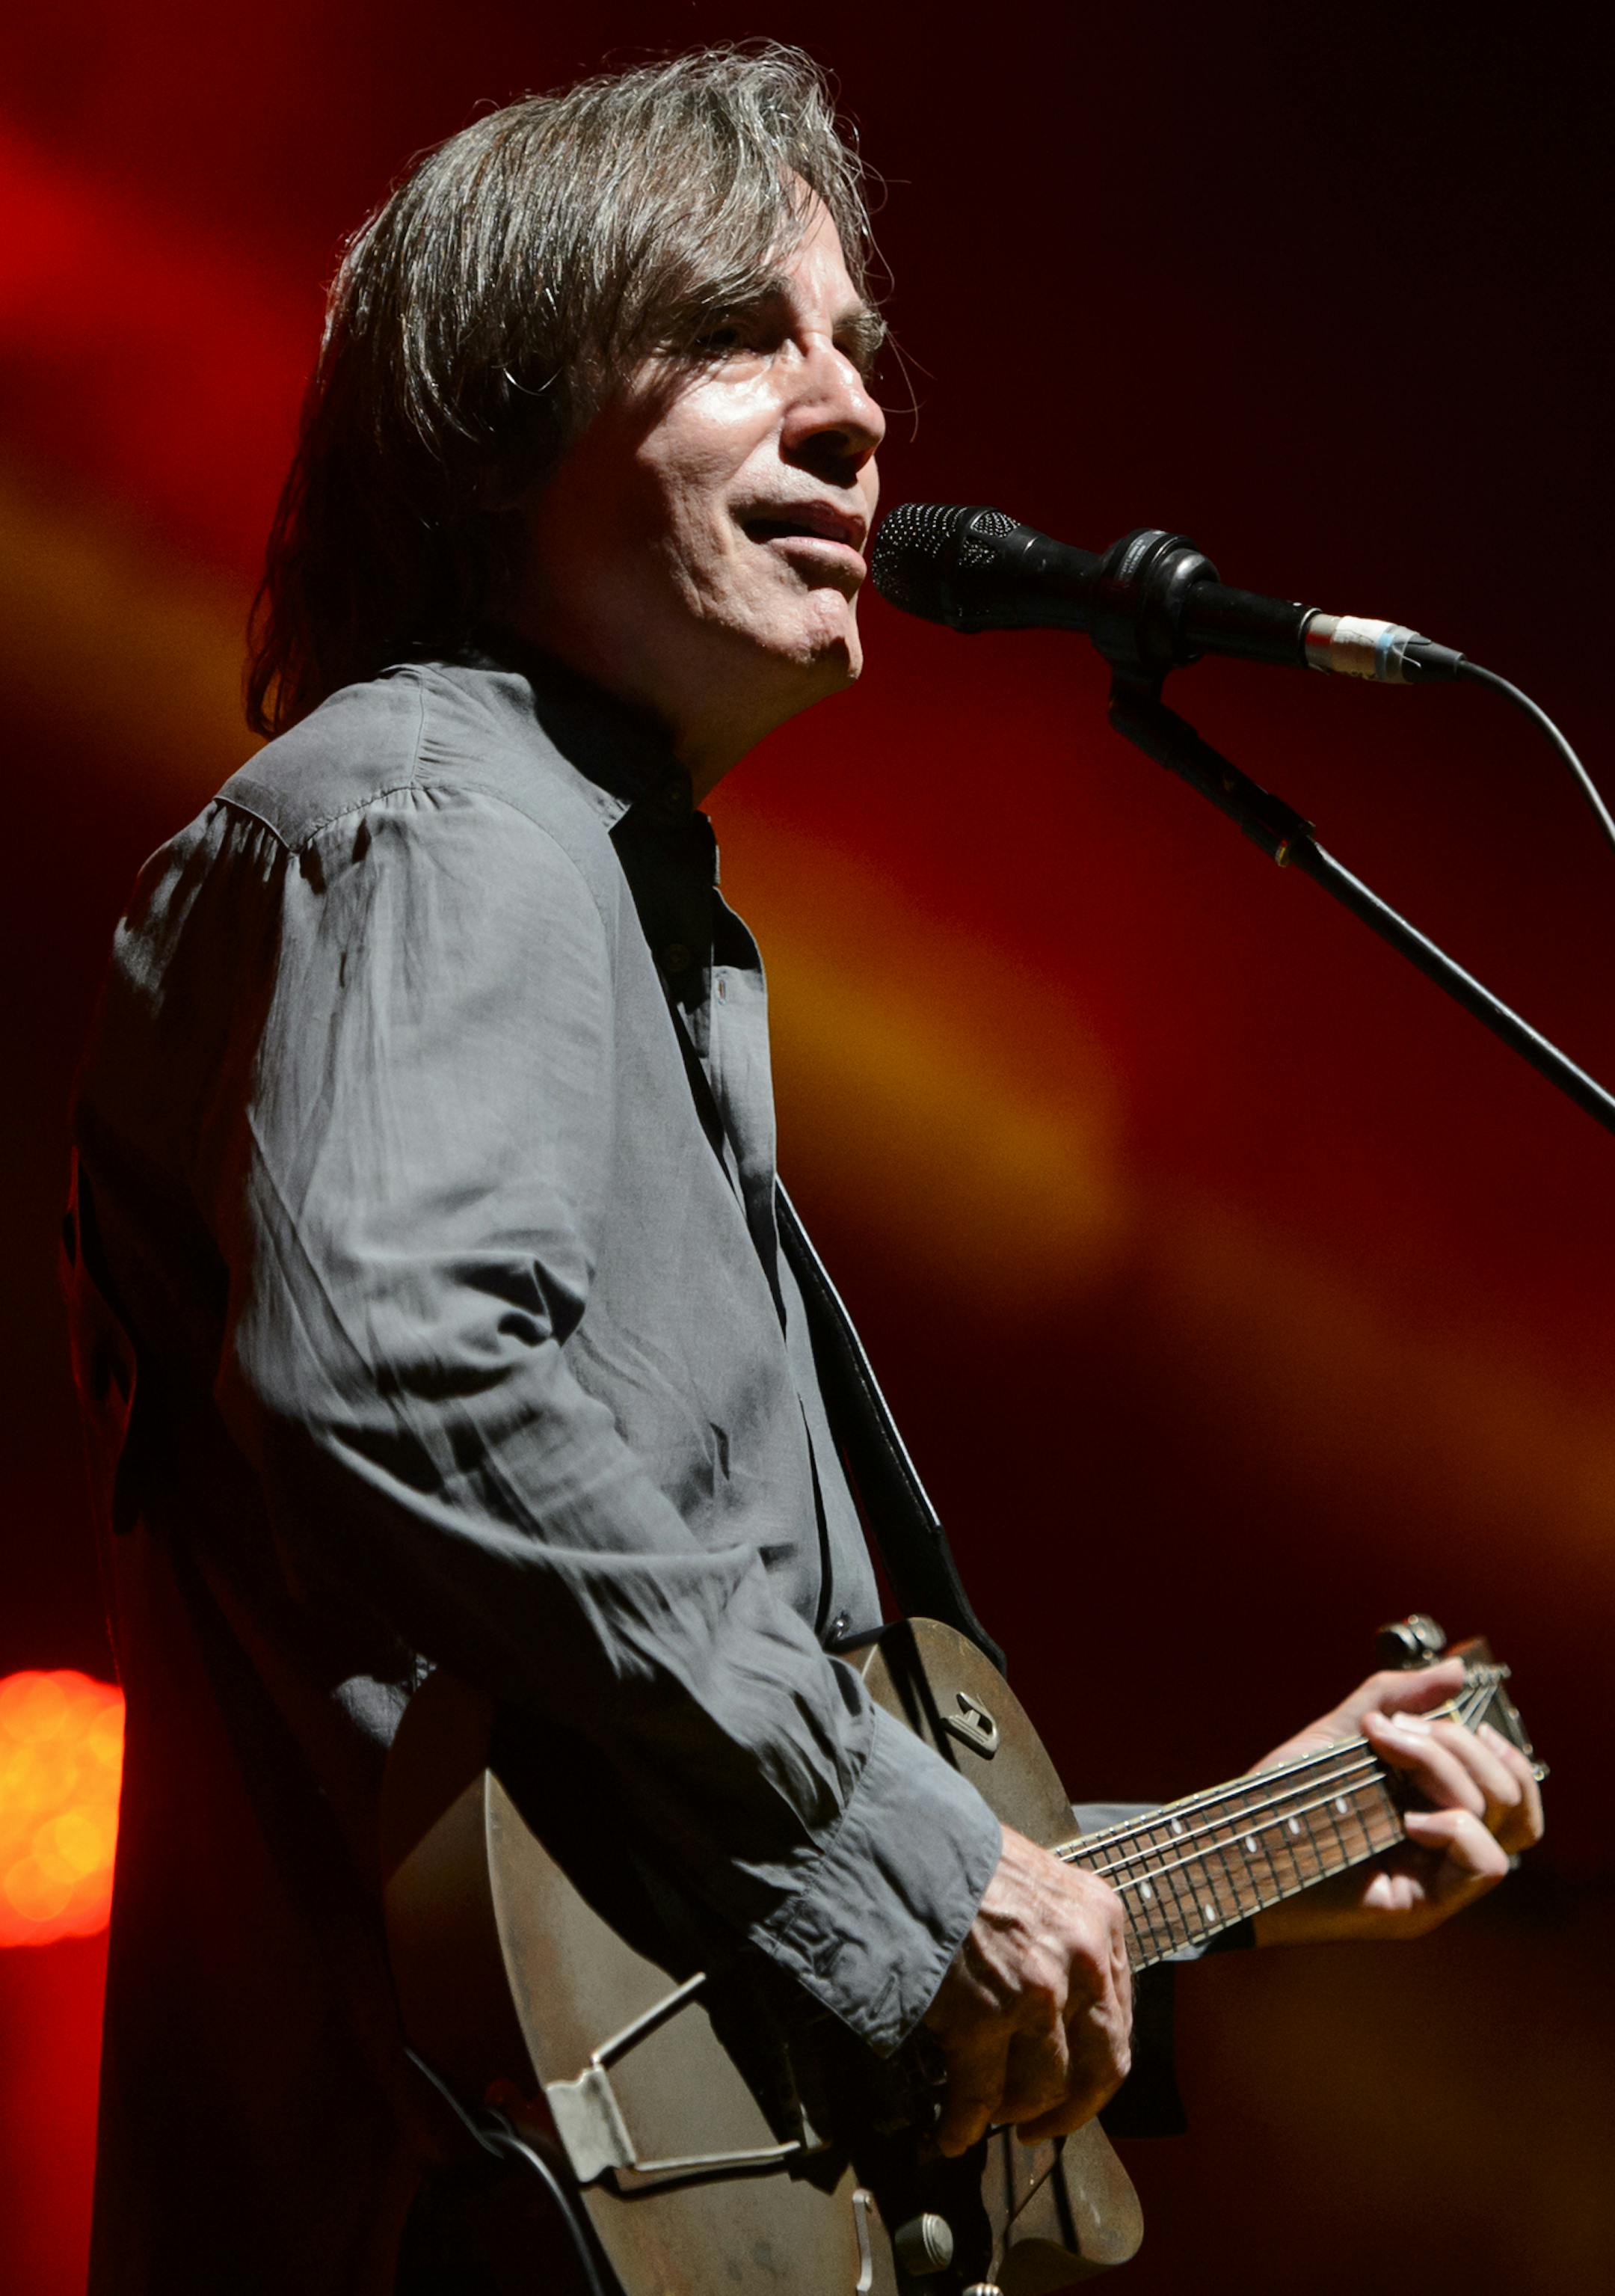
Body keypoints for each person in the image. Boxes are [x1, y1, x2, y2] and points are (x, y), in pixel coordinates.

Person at [63, 46, 1542, 2296]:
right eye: (741, 335)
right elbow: (402, 1361)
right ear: (495, 411)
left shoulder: (609, 908)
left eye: (858, 348)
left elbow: (674, 1854)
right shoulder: (436, 820)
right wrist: (910, 1855)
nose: (854, 409)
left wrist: (1254, 1849)